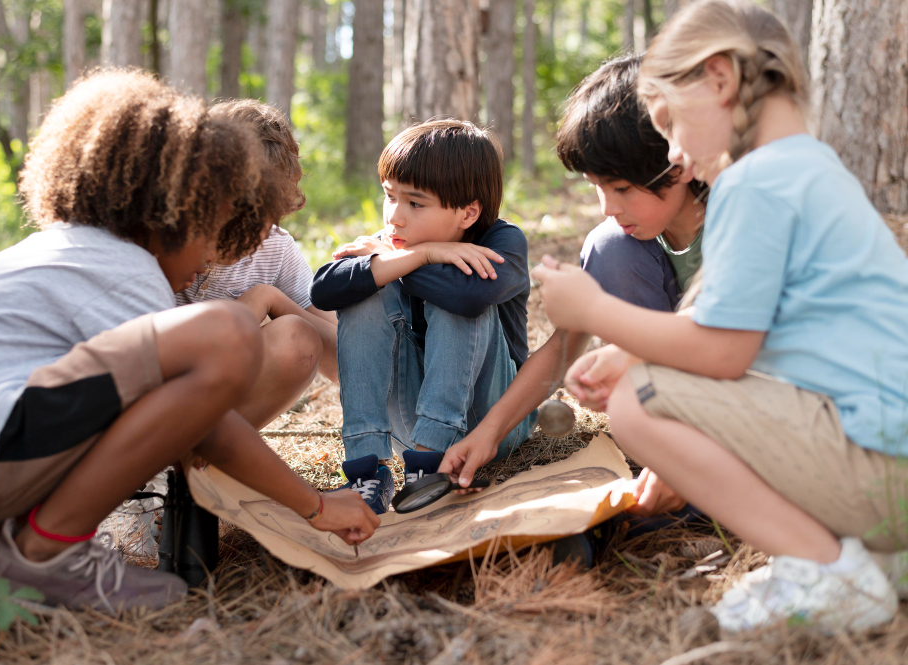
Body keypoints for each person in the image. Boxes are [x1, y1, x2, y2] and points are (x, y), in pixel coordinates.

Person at [0, 70, 379, 614]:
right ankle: (43, 553)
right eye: (206, 234)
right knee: (225, 333)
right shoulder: (122, 271)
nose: (208, 259)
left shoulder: (76, 250)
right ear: (168, 215)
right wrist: (316, 505)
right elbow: (209, 427)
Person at [534, 0, 908, 633]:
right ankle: (875, 559)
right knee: (645, 373)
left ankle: (826, 569)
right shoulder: (810, 172)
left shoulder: (754, 183)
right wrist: (628, 346)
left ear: (718, 80)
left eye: (670, 124)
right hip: (881, 465)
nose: (674, 155)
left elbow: (724, 352)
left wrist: (597, 311)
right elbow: (734, 320)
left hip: (878, 469)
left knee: (637, 401)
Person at [438, 55, 706, 531]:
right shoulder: (630, 240)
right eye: (597, 186)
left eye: (622, 187)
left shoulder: (742, 221)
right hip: (678, 409)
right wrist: (488, 433)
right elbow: (564, 345)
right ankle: (670, 469)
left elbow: (738, 346)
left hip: (754, 402)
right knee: (609, 246)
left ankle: (697, 479)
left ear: (679, 162)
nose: (608, 206)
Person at [310, 119, 534, 515]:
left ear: (468, 213)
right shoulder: (393, 244)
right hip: (408, 427)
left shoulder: (502, 241)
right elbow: (324, 290)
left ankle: (431, 462)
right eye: (389, 196)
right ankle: (368, 470)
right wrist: (425, 253)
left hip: (494, 421)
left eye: (415, 203)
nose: (394, 217)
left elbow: (470, 298)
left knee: (458, 291)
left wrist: (397, 263)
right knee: (365, 289)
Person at [177, 100, 339, 429]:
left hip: (210, 411)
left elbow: (343, 362)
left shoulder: (274, 248)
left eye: (262, 216)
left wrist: (270, 299)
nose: (246, 230)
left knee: (298, 336)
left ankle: (199, 461)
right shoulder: (163, 238)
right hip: (145, 390)